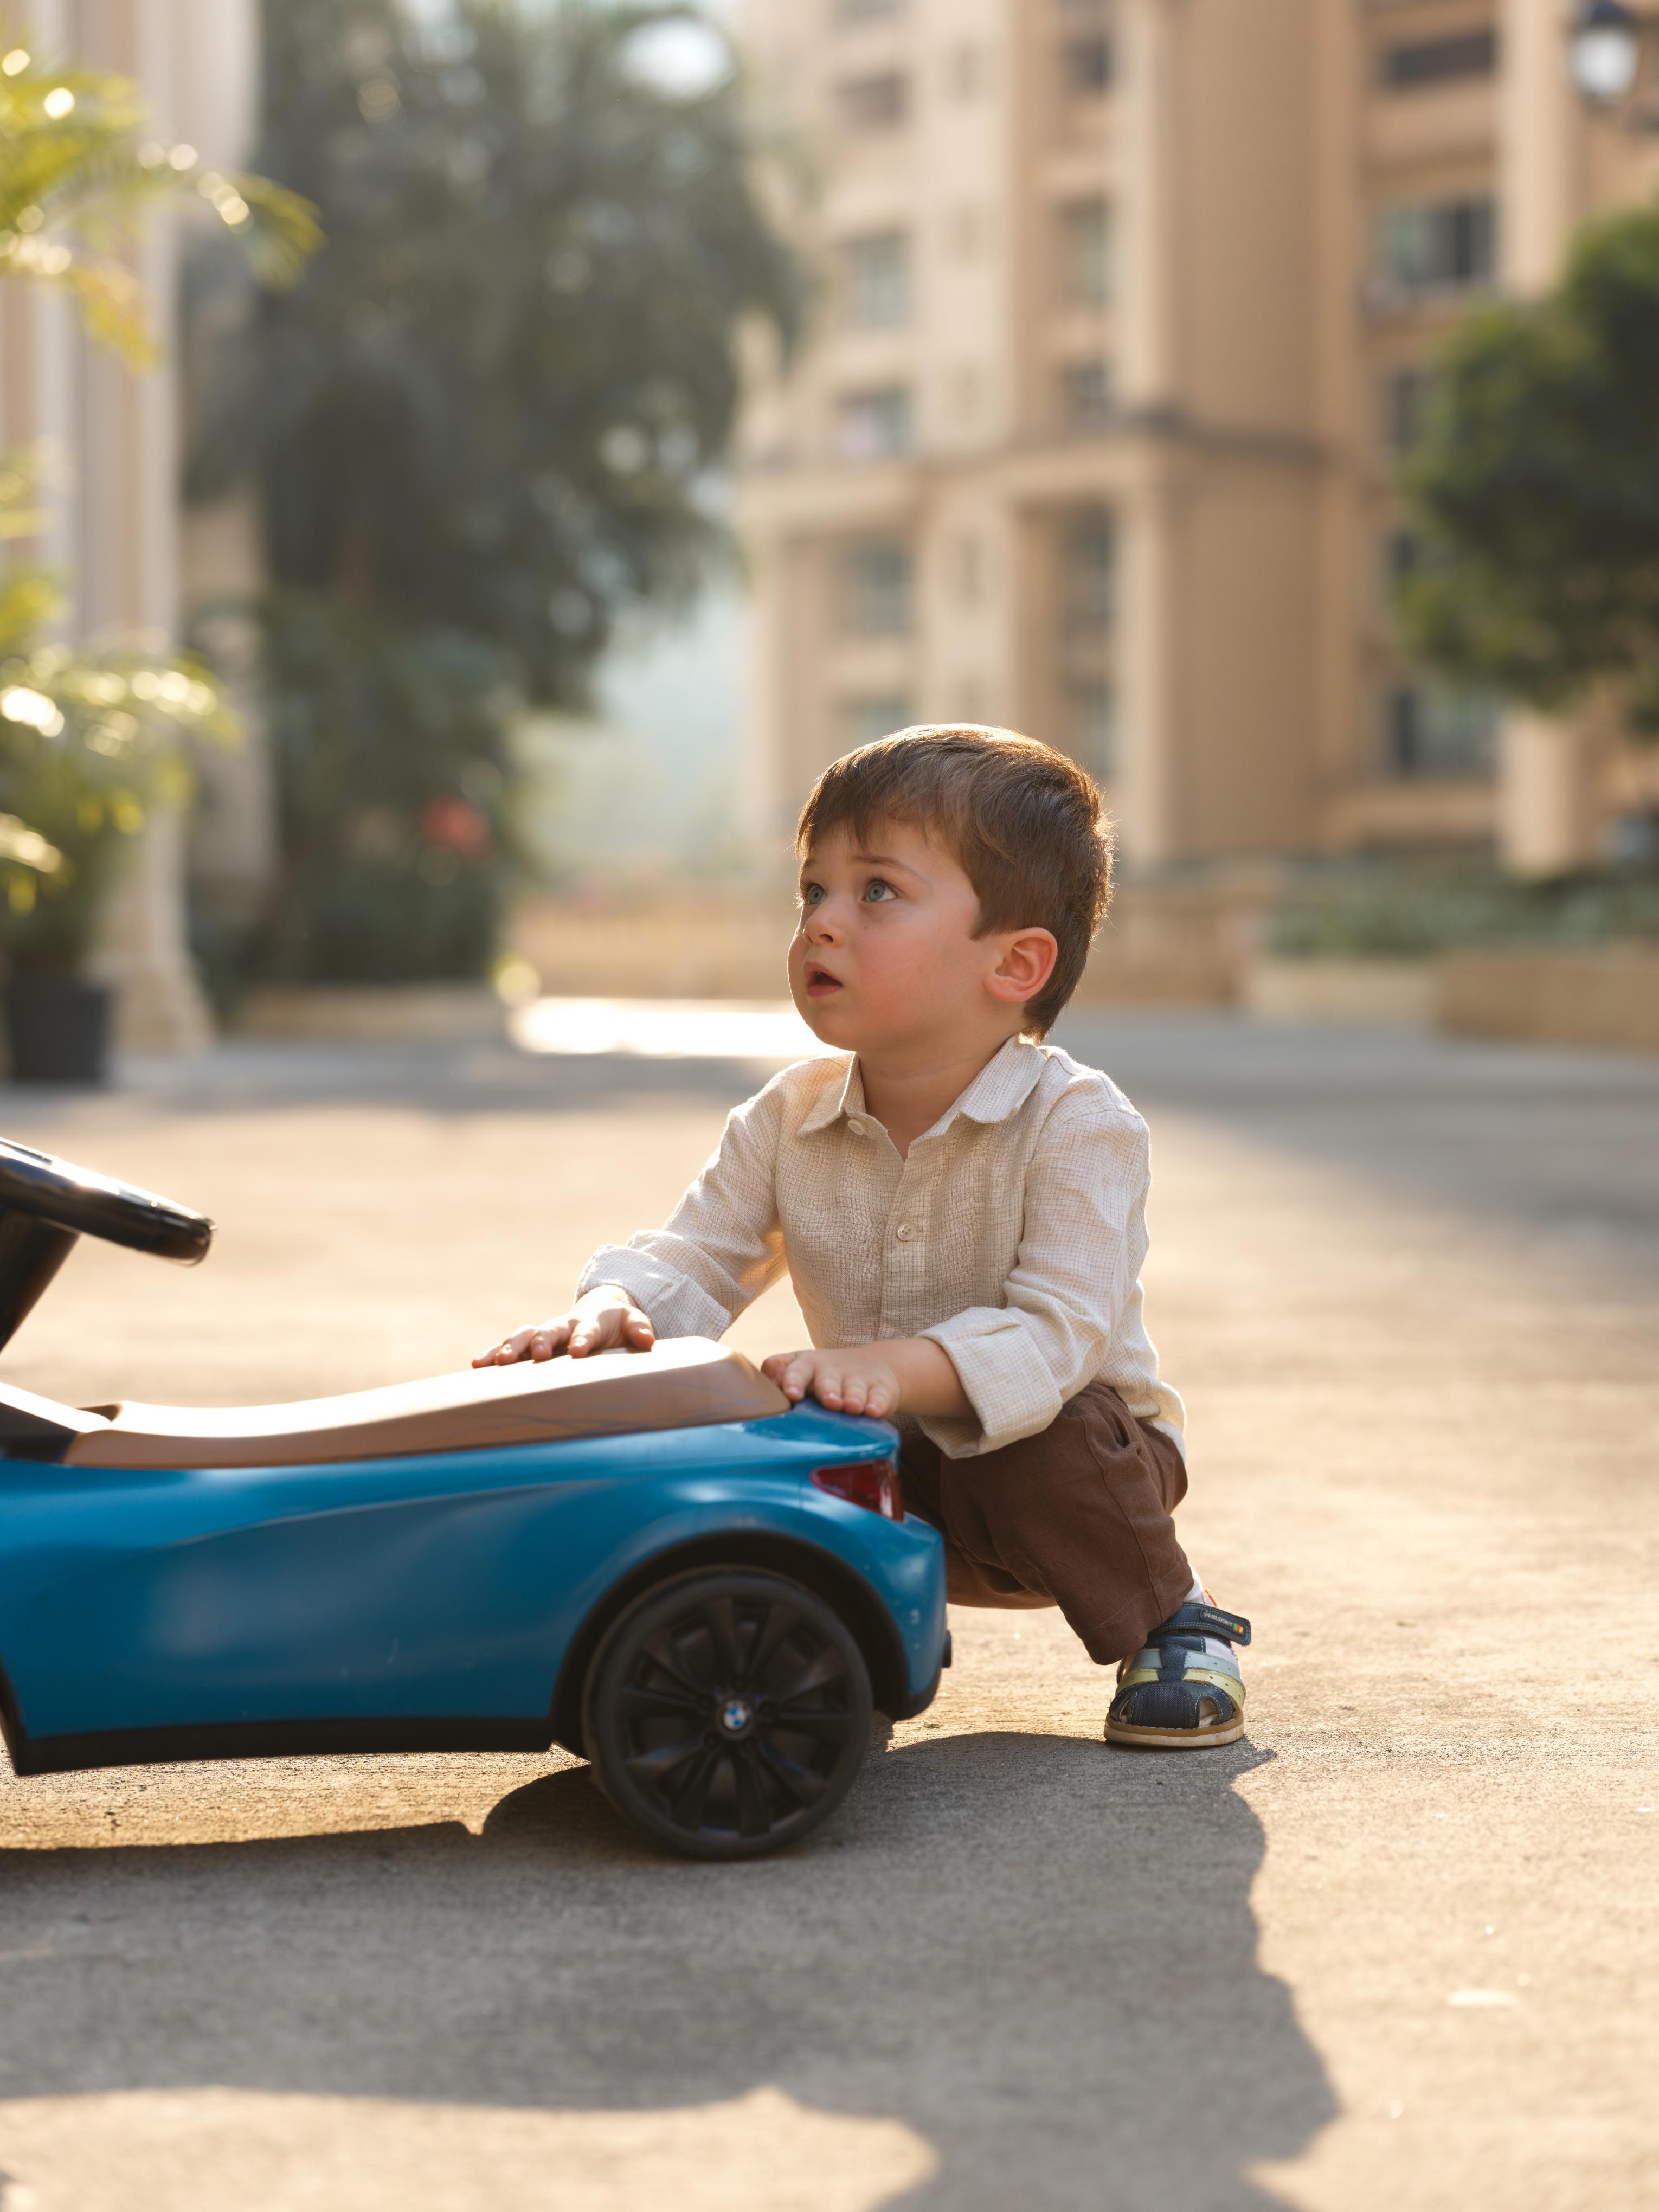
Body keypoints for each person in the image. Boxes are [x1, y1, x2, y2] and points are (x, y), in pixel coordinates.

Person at [476, 725, 1249, 1747]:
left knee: (1049, 1445)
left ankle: (1175, 1621)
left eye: (875, 892)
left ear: (1014, 962)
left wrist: (893, 1368)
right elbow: (699, 1255)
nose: (822, 926)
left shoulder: (1077, 1123)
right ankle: (830, 1641)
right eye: (813, 893)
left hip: (1063, 1482)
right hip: (877, 1466)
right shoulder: (787, 1117)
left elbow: (1059, 1334)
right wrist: (613, 1312)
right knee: (723, 1424)